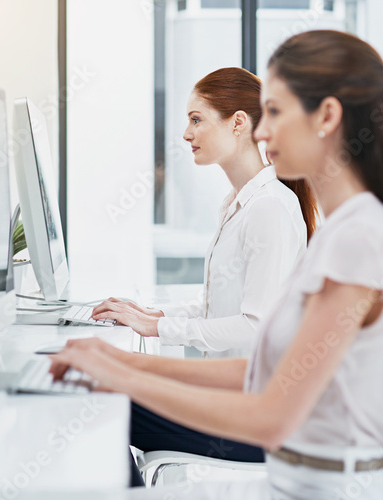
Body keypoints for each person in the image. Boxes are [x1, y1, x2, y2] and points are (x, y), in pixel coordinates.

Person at [51, 30, 383, 497]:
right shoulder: (342, 231)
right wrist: (121, 361)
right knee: (100, 410)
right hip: (299, 477)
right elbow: (263, 369)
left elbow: (272, 415)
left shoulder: (357, 236)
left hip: (312, 485)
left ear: (327, 116)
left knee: (101, 418)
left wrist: (125, 375)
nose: (262, 133)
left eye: (276, 112)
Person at [92, 67, 317, 359]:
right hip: (224, 384)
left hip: (244, 394)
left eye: (196, 120)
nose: (186, 134)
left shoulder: (269, 207)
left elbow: (255, 327)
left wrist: (159, 327)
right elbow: (220, 307)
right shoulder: (237, 202)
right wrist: (153, 314)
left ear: (238, 123)